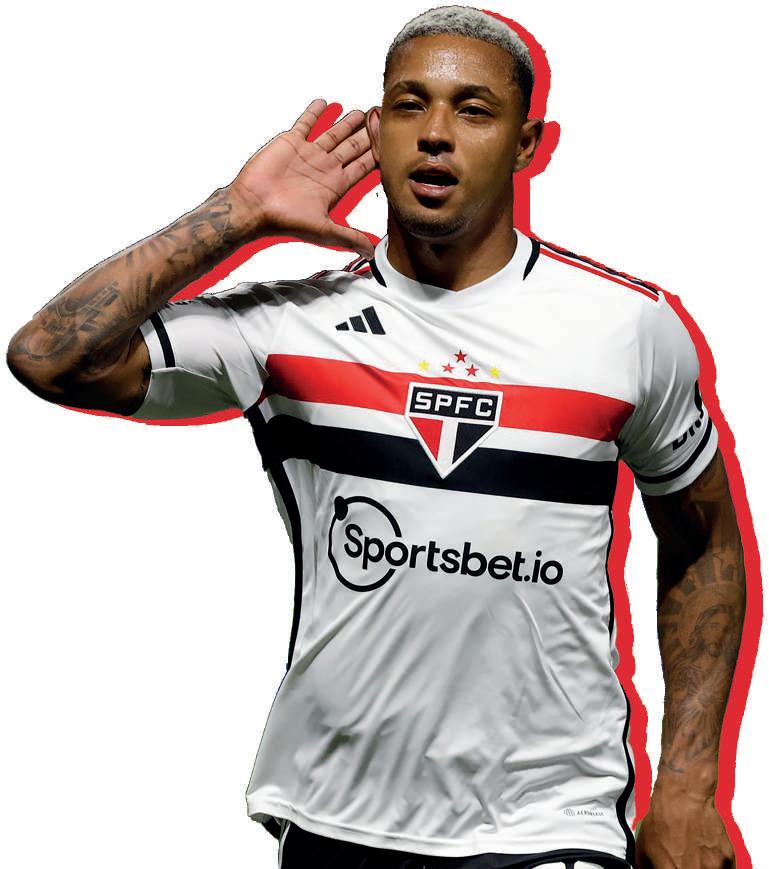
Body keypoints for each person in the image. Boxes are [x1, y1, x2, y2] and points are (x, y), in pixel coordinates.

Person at [6, 5, 747, 869]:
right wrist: (236, 213)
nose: (434, 132)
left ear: (525, 145)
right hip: (333, 815)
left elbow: (703, 541)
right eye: (408, 104)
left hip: (547, 822)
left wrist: (687, 783)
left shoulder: (625, 329)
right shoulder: (287, 326)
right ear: (377, 127)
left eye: (473, 110)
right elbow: (49, 357)